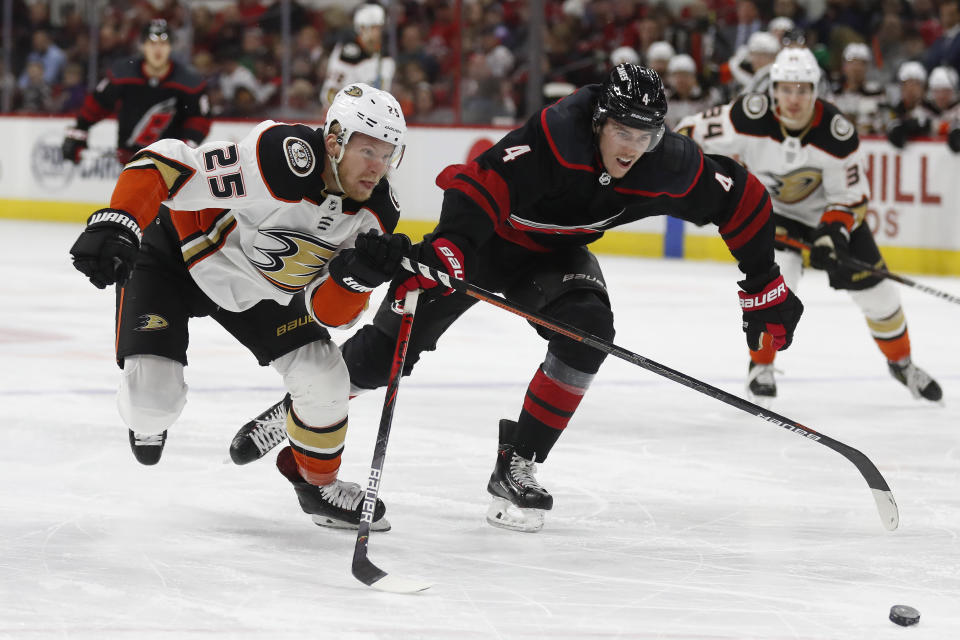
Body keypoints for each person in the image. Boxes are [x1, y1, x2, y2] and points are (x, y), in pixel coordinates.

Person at [233, 64, 804, 533]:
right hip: (485, 240)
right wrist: (452, 251)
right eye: (623, 133)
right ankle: (301, 414)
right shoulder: (557, 135)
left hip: (555, 257)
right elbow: (478, 185)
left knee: (589, 332)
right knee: (388, 354)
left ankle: (518, 464)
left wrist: (764, 286)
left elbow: (743, 198)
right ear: (600, 122)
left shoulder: (665, 161)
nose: (633, 149)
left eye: (645, 135)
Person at [67, 83, 411, 531]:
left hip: (258, 290)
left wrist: (355, 278)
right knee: (152, 403)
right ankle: (147, 414)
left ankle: (316, 484)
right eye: (368, 152)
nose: (378, 168)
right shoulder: (280, 158)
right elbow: (167, 161)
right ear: (334, 141)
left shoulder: (378, 211)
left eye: (388, 156)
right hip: (177, 256)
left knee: (325, 377)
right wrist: (123, 218)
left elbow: (328, 314)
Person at [675, 47, 942, 405]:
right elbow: (686, 134)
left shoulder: (837, 134)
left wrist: (832, 235)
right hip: (774, 215)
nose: (794, 98)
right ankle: (761, 366)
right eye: (786, 89)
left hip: (828, 218)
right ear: (774, 90)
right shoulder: (746, 117)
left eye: (802, 90)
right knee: (773, 287)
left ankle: (902, 364)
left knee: (881, 297)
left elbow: (851, 199)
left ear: (816, 91)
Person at [61, 19, 211, 166]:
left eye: (163, 44)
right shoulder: (123, 73)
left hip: (169, 165)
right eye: (152, 43)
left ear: (171, 47)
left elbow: (200, 119)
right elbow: (97, 104)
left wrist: (186, 148)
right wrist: (80, 131)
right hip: (130, 161)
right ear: (143, 46)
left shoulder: (188, 81)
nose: (157, 50)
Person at [319, 3, 395, 113]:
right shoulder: (348, 53)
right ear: (362, 28)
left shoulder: (386, 57)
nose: (379, 32)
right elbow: (330, 95)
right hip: (345, 116)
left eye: (380, 28)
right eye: (375, 28)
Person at [882, 61, 937, 150]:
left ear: (924, 88)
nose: (910, 89)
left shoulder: (933, 110)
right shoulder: (894, 111)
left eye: (915, 84)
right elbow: (895, 137)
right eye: (906, 84)